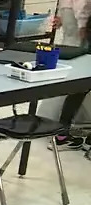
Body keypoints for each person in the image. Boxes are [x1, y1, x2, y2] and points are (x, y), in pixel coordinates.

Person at [46, 1, 91, 150]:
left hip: (77, 34)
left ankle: (62, 132)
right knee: (80, 86)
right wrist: (83, 25)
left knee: (78, 87)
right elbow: (82, 9)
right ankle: (62, 134)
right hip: (81, 35)